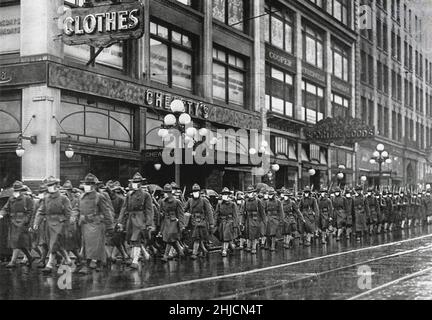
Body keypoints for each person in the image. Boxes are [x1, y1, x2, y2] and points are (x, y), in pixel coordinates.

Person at [73, 173, 114, 274]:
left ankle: (88, 265)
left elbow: (106, 211)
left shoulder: (99, 197)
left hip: (96, 224)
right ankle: (102, 261)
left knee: (94, 246)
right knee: (88, 245)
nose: (87, 185)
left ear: (95, 185)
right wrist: (73, 216)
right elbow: (76, 208)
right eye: (86, 183)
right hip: (84, 224)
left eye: (90, 183)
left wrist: (110, 226)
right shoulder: (81, 197)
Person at [33, 177, 73, 273]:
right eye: (48, 186)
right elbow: (41, 211)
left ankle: (49, 264)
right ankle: (67, 259)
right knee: (55, 244)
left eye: (51, 185)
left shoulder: (64, 198)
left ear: (56, 186)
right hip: (48, 224)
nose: (49, 187)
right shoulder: (46, 198)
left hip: (59, 224)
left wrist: (67, 225)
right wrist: (36, 223)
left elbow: (68, 213)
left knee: (54, 243)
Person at [117, 173, 154, 269]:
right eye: (134, 182)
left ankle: (135, 260)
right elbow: (124, 209)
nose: (135, 184)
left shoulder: (146, 195)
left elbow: (149, 210)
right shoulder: (129, 195)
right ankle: (145, 254)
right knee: (131, 240)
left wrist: (149, 223)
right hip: (130, 219)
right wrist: (120, 222)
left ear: (141, 183)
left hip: (140, 219)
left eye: (137, 182)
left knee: (136, 238)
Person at [0, 181, 35, 268]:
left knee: (17, 241)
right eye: (15, 190)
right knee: (18, 242)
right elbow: (5, 208)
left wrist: (26, 220)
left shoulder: (27, 199)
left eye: (18, 190)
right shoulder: (11, 199)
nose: (16, 192)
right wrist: (1, 214)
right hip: (13, 222)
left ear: (21, 190)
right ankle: (30, 257)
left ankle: (13, 261)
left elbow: (30, 211)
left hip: (22, 222)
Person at [184, 184, 214, 259]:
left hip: (201, 221)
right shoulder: (190, 200)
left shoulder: (204, 200)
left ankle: (194, 253)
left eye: (197, 191)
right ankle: (203, 250)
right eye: (194, 191)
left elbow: (209, 212)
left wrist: (211, 223)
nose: (195, 193)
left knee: (197, 237)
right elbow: (184, 209)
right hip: (193, 221)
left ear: (199, 192)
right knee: (197, 237)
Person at [159, 184, 185, 262]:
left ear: (170, 193)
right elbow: (161, 211)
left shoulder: (177, 202)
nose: (165, 194)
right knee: (173, 240)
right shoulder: (163, 202)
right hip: (166, 222)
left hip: (174, 221)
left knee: (170, 238)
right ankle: (181, 253)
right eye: (165, 192)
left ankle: (165, 256)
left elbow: (181, 214)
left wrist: (181, 225)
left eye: (167, 192)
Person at [214, 187, 239, 257]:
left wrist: (235, 225)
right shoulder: (219, 204)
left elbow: (235, 215)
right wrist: (215, 223)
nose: (225, 195)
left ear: (229, 195)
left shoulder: (233, 204)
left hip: (229, 222)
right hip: (222, 222)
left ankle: (224, 250)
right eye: (223, 194)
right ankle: (232, 247)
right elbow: (216, 214)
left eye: (226, 194)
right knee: (223, 237)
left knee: (226, 236)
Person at [242, 186, 266, 254]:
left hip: (256, 219)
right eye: (248, 193)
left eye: (250, 193)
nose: (249, 194)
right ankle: (249, 246)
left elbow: (262, 212)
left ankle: (254, 247)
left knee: (255, 235)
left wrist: (264, 222)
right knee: (248, 234)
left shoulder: (258, 201)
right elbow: (244, 212)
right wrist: (242, 222)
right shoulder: (246, 201)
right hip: (248, 220)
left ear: (253, 193)